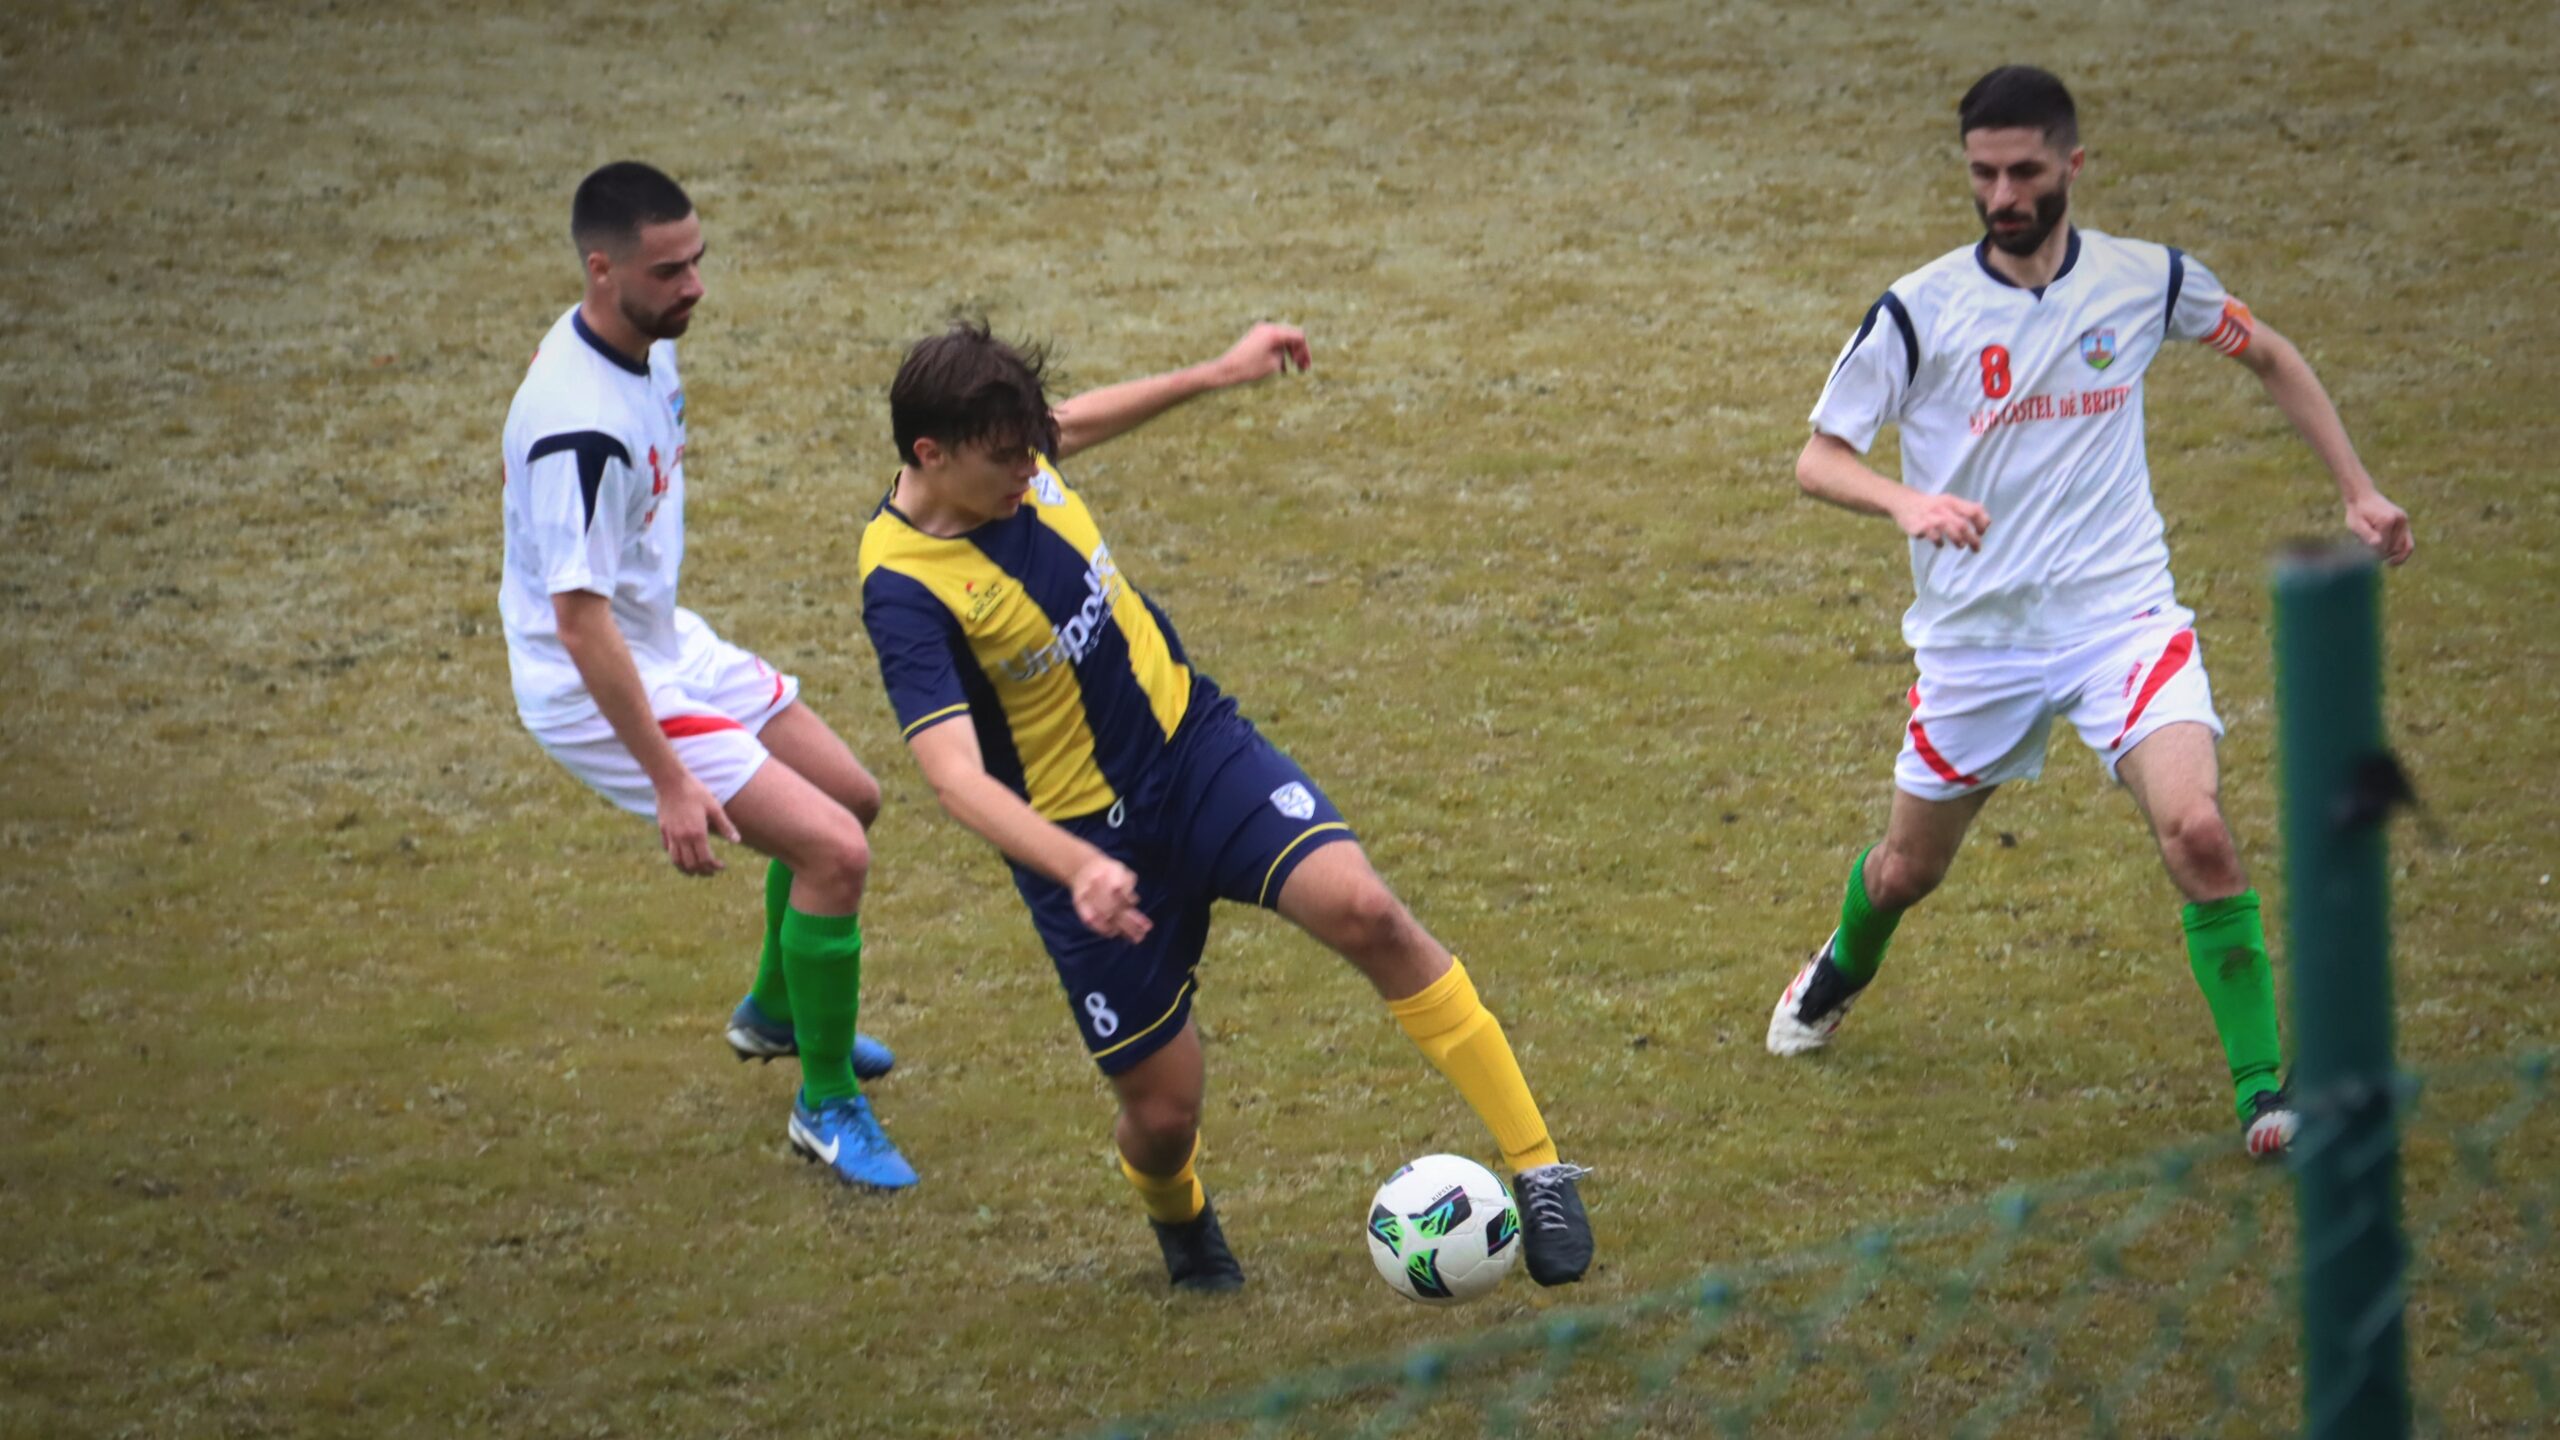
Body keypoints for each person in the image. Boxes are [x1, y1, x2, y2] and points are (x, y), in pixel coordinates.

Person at [856, 321, 1593, 1291]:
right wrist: (1075, 867)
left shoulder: (1007, 455)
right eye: (1007, 462)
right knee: (1164, 1115)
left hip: (1196, 753)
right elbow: (952, 776)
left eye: (1035, 449)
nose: (1031, 472)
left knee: (1365, 909)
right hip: (1086, 849)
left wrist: (1217, 373)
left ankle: (1538, 1167)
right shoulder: (904, 587)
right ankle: (1182, 1219)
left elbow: (1067, 425)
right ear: (929, 454)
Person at [1765, 67, 2415, 1157]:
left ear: (2073, 164)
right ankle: (1840, 962)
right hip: (1978, 646)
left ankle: (2267, 1094)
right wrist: (1905, 499)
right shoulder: (1917, 310)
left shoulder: (2145, 280)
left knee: (2199, 832)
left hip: (2123, 622)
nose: (2002, 192)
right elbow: (1816, 458)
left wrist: (2357, 486)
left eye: (2023, 170)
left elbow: (2266, 353)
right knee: (1906, 871)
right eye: (1982, 173)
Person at [499, 162, 915, 1190]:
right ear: (601, 271)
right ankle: (824, 1104)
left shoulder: (639, 342)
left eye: (698, 262)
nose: (694, 287)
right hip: (594, 680)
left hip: (663, 642)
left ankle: (778, 1012)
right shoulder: (578, 430)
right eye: (669, 270)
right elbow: (577, 621)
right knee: (835, 852)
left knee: (850, 796)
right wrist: (670, 782)